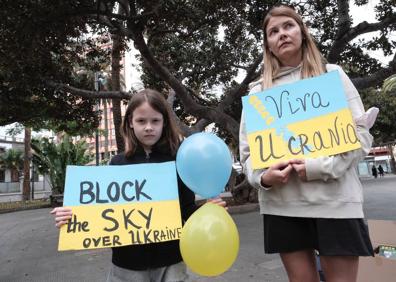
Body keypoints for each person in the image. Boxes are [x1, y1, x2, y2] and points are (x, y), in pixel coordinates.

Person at [239, 5, 374, 282]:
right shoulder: (258, 93)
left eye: (288, 26)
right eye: (273, 31)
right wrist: (263, 177)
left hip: (336, 202)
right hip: (283, 206)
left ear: (302, 31)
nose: (282, 34)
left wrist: (318, 166)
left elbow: (360, 136)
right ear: (268, 45)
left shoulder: (333, 75)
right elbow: (248, 153)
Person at [51, 89, 226, 282]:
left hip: (171, 263)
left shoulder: (178, 162)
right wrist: (71, 217)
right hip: (126, 266)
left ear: (164, 123)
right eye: (141, 121)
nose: (149, 127)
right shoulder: (117, 164)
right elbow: (99, 214)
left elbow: (186, 210)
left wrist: (208, 211)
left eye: (155, 121)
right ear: (130, 124)